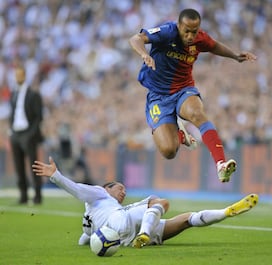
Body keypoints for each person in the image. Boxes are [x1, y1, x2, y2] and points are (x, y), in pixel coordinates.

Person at [129, 8, 257, 183]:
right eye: (186, 31)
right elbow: (136, 38)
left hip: (183, 89)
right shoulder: (167, 32)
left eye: (194, 32)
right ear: (179, 25)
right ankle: (181, 135)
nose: (190, 36)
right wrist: (144, 54)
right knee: (168, 151)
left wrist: (235, 56)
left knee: (197, 114)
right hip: (158, 96)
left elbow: (214, 46)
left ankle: (220, 163)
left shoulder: (200, 38)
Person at [32, 157, 258, 248]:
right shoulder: (99, 193)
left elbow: (84, 238)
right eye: (120, 188)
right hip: (122, 223)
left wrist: (87, 243)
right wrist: (56, 176)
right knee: (159, 201)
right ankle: (147, 233)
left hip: (121, 238)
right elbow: (79, 190)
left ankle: (226, 211)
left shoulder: (90, 217)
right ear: (107, 187)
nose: (123, 192)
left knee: (186, 220)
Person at [9, 64, 44, 204]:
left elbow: (38, 117)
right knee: (18, 166)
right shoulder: (14, 93)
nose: (18, 77)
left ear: (24, 76)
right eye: (16, 75)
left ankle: (37, 194)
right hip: (16, 133)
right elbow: (13, 113)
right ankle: (23, 194)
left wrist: (31, 133)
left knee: (33, 165)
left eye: (20, 74)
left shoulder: (33, 94)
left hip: (27, 133)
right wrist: (11, 129)